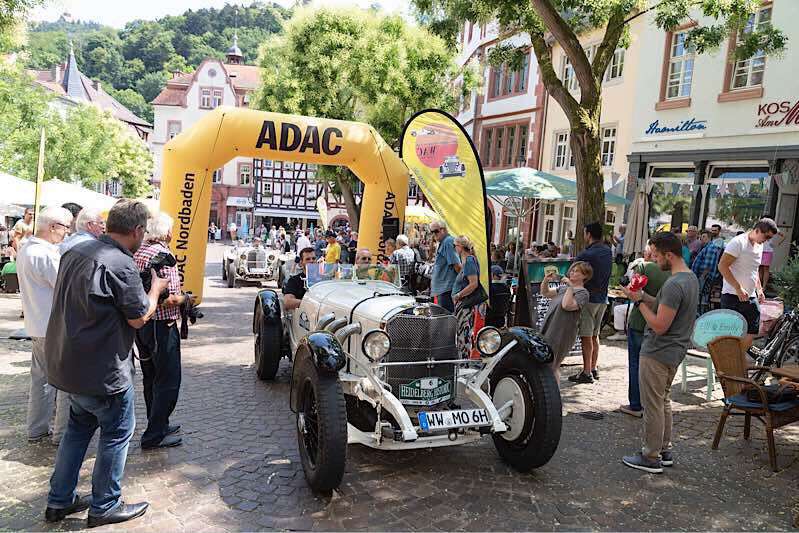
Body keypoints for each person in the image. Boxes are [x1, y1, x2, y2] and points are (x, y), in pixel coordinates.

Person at [44, 200, 168, 526]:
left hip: (69, 365)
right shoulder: (121, 264)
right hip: (103, 372)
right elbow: (140, 317)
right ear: (138, 230)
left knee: (77, 430)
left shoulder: (74, 251)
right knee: (116, 433)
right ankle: (105, 505)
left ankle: (59, 500)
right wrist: (155, 290)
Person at [621, 232, 699, 474]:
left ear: (669, 254)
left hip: (658, 351)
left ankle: (650, 455)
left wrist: (638, 303)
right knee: (663, 401)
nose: (654, 261)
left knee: (652, 404)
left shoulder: (675, 283)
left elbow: (659, 324)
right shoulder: (689, 278)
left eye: (656, 256)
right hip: (674, 351)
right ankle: (664, 450)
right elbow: (666, 308)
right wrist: (643, 296)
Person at [133, 213, 194, 450]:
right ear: (167, 232)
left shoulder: (139, 252)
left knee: (151, 378)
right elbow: (165, 298)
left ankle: (157, 423)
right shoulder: (163, 255)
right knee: (168, 381)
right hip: (162, 325)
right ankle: (154, 434)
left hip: (144, 325)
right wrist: (185, 299)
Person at [16, 207, 73, 445]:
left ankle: (37, 428)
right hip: (52, 326)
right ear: (52, 227)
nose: (67, 233)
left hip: (37, 324)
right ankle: (62, 433)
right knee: (64, 383)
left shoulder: (27, 249)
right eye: (65, 228)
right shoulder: (45, 254)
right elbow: (67, 286)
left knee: (41, 380)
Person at [619, 243, 670, 418]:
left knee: (635, 364)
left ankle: (635, 404)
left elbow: (631, 290)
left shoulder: (643, 267)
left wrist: (625, 288)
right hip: (661, 322)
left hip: (640, 320)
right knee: (653, 367)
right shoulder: (674, 273)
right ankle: (651, 404)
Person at [718, 218, 778, 349]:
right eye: (766, 236)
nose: (767, 240)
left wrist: (760, 289)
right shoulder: (738, 242)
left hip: (750, 296)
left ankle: (737, 360)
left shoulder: (760, 245)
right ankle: (727, 364)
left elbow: (754, 269)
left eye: (770, 238)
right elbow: (722, 266)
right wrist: (738, 288)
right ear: (757, 230)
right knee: (729, 335)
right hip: (732, 296)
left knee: (752, 331)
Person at [569, 222, 612, 384]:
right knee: (595, 335)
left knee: (586, 336)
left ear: (588, 234)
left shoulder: (587, 254)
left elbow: (572, 269)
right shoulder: (607, 251)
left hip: (588, 298)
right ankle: (593, 367)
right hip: (603, 299)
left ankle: (586, 372)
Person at [539, 262, 592, 383]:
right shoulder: (563, 287)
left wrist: (570, 287)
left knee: (552, 366)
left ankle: (553, 395)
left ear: (585, 276)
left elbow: (567, 305)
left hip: (563, 333)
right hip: (550, 326)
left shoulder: (583, 293)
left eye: (577, 271)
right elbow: (546, 293)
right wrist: (546, 280)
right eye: (572, 270)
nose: (572, 272)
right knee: (547, 365)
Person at [452, 235, 483, 360]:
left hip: (465, 304)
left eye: (455, 246)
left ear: (460, 247)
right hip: (462, 304)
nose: (454, 248)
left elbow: (474, 284)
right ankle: (461, 362)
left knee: (463, 336)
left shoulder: (469, 261)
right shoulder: (467, 261)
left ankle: (463, 363)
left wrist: (459, 295)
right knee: (461, 335)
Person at [430, 220, 461, 312]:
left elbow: (457, 265)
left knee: (444, 320)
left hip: (446, 289)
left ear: (443, 230)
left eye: (436, 231)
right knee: (442, 319)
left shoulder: (448, 241)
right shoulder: (444, 242)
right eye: (432, 232)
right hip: (443, 289)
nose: (434, 234)